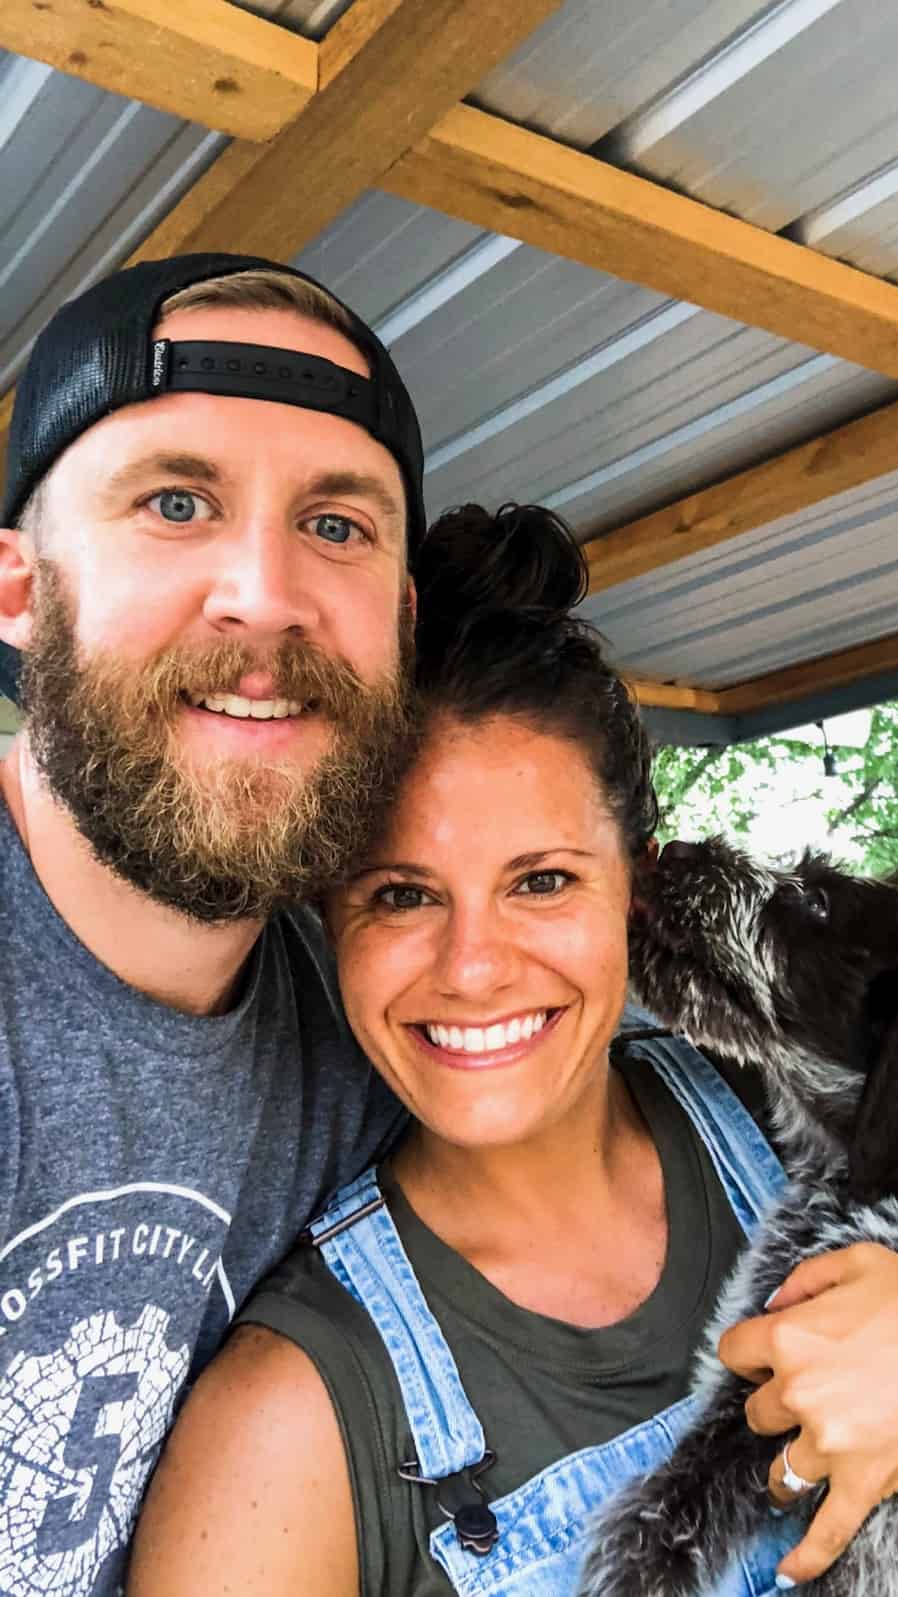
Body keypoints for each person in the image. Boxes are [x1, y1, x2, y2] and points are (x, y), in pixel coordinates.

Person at [127, 504, 898, 1597]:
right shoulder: (287, 1425)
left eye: (542, 880)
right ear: (324, 918)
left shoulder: (825, 1116)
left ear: (639, 889)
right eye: (400, 894)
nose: (472, 966)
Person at [0, 253, 426, 1596]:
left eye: (339, 526)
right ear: (17, 590)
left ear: (402, 626)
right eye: (177, 502)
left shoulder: (393, 1021)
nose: (265, 594)